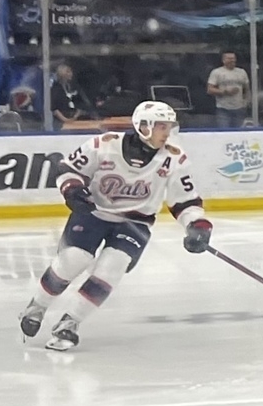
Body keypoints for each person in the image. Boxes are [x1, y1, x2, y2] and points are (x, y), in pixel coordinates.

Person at [18, 101, 213, 351]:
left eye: (169, 126)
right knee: (74, 260)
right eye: (161, 126)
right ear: (143, 127)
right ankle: (37, 306)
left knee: (112, 267)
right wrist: (72, 189)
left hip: (135, 223)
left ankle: (70, 323)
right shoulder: (104, 145)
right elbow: (68, 168)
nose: (167, 132)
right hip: (93, 213)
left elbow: (185, 200)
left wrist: (197, 225)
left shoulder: (174, 158)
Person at [206, 51, 249, 127]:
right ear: (223, 60)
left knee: (238, 133)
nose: (232, 60)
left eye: (233, 58)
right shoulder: (217, 72)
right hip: (223, 109)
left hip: (239, 109)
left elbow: (246, 89)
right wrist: (225, 91)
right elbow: (210, 90)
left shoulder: (242, 72)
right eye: (229, 58)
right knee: (224, 132)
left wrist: (246, 102)